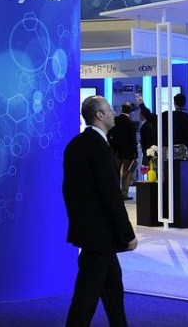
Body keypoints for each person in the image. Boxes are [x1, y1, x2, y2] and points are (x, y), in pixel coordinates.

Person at [63, 95, 137, 327]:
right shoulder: (101, 149)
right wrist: (127, 234)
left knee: (113, 288)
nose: (114, 112)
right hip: (100, 236)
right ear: (99, 115)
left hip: (90, 232)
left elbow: (68, 191)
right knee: (86, 296)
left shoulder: (75, 145)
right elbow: (111, 196)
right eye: (109, 109)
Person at [107, 103, 139, 200]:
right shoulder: (131, 124)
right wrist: (135, 153)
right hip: (128, 153)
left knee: (114, 172)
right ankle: (124, 194)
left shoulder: (115, 120)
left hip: (115, 151)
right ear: (130, 111)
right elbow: (133, 140)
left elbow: (108, 134)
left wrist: (112, 144)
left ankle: (114, 193)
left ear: (121, 109)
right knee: (127, 173)